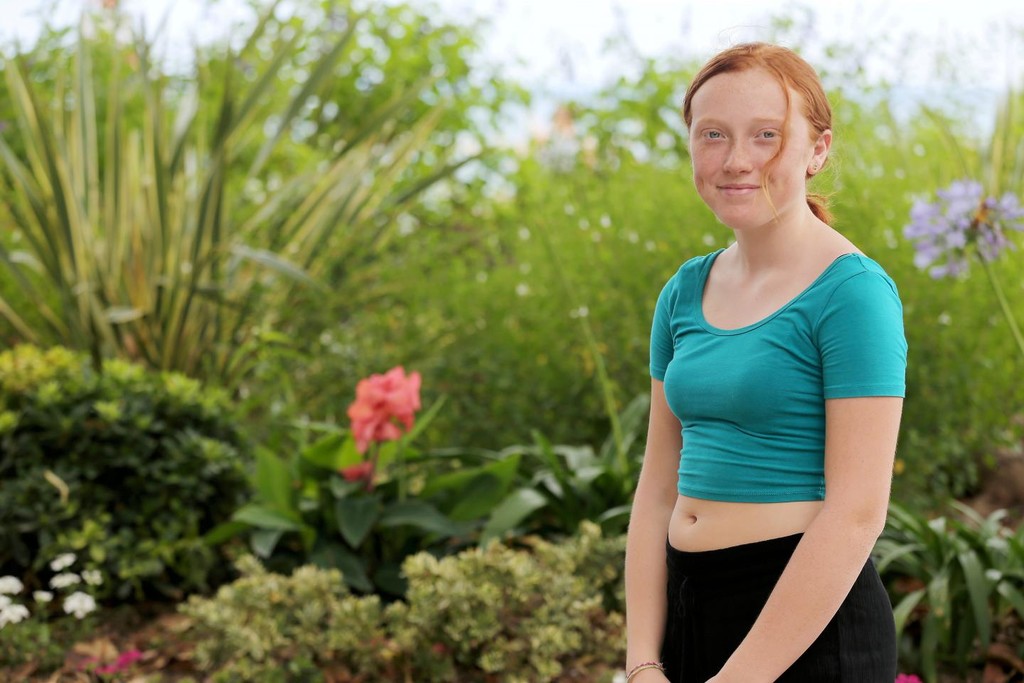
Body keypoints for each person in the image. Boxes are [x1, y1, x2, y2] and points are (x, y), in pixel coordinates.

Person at [623, 42, 907, 683]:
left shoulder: (853, 294)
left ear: (818, 150)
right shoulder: (684, 290)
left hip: (808, 631)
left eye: (766, 135)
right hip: (688, 613)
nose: (735, 160)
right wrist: (642, 660)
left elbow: (857, 513)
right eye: (712, 134)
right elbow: (657, 489)